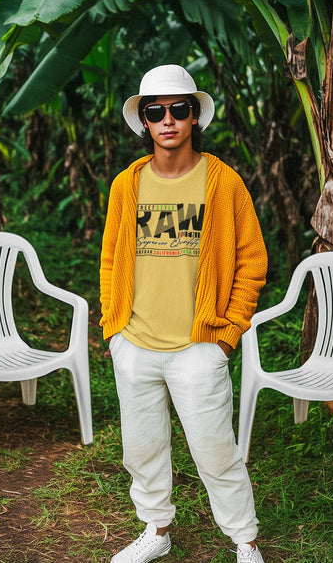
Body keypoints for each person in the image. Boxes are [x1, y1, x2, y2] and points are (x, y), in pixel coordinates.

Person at [100, 64, 268, 563]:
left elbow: (252, 262)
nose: (168, 120)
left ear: (195, 117)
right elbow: (111, 259)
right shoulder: (126, 186)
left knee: (217, 452)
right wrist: (115, 332)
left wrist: (226, 336)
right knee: (142, 449)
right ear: (145, 122)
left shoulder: (223, 183)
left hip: (199, 346)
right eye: (156, 111)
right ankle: (157, 529)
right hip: (136, 344)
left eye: (179, 109)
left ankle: (245, 541)